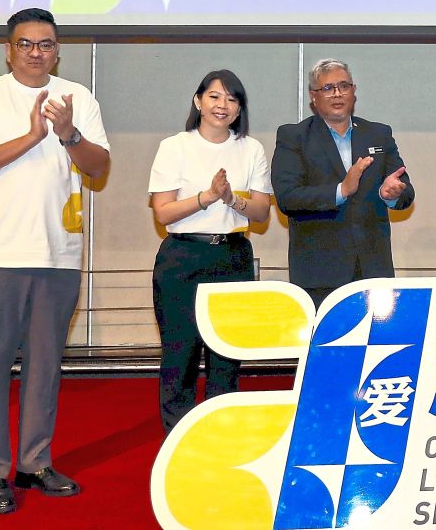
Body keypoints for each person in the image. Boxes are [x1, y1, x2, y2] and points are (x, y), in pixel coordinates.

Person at [0, 8, 110, 515]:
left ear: (57, 50)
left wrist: (69, 133)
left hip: (57, 252)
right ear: (9, 48)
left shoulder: (77, 97)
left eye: (45, 44)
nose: (36, 52)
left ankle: (34, 462)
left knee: (45, 365)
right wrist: (31, 138)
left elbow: (99, 168)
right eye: (26, 43)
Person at [148, 69, 272, 433]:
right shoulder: (175, 146)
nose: (223, 105)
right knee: (180, 354)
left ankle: (221, 436)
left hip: (232, 256)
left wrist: (233, 199)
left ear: (239, 109)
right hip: (183, 257)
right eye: (215, 96)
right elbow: (163, 211)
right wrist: (207, 197)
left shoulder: (251, 149)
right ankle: (179, 438)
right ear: (198, 101)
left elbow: (263, 212)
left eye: (232, 99)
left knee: (227, 355)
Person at [272, 59, 414, 308]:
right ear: (313, 97)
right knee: (326, 346)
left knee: (379, 346)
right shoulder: (293, 137)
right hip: (320, 274)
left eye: (343, 86)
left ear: (354, 91)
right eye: (328, 88)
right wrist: (341, 190)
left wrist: (390, 194)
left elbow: (405, 191)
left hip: (373, 270)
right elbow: (287, 197)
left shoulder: (378, 134)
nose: (337, 94)